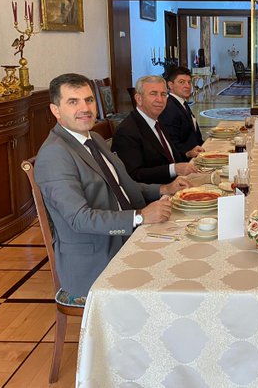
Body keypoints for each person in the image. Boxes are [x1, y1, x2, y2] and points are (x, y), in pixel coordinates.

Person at [34, 73, 191, 299]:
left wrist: (163, 189)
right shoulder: (55, 154)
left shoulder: (94, 139)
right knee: (175, 284)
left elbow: (121, 185)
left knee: (188, 251)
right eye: (73, 102)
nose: (85, 108)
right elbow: (80, 219)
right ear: (55, 110)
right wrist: (139, 217)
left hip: (126, 237)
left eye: (89, 100)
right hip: (98, 258)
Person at [112, 75, 199, 184]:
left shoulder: (157, 120)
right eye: (153, 94)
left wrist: (187, 154)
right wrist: (174, 169)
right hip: (158, 191)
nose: (160, 100)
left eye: (163, 94)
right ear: (139, 99)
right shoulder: (126, 131)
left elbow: (167, 157)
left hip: (178, 182)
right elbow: (134, 175)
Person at [159, 66, 205, 159]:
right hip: (185, 160)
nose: (187, 86)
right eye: (181, 82)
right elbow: (172, 143)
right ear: (170, 85)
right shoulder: (169, 108)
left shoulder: (181, 103)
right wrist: (187, 153)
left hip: (197, 152)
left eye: (189, 82)